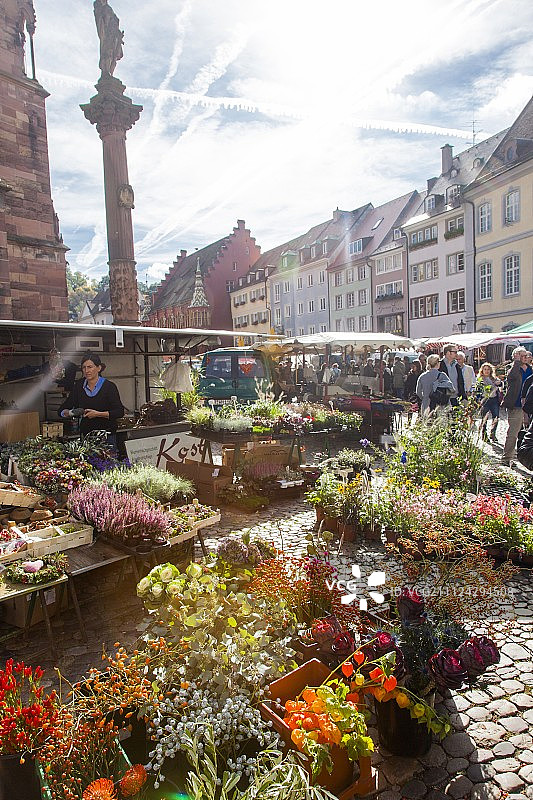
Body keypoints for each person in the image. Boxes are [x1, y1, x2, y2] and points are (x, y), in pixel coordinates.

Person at [59, 353, 124, 439]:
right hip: (86, 435)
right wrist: (69, 413)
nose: (86, 371)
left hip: (106, 436)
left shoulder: (109, 387)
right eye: (84, 367)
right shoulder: (78, 386)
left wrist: (98, 414)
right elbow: (63, 409)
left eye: (90, 367)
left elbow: (119, 412)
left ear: (99, 368)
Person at [501, 346, 529, 466]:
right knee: (513, 432)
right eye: (522, 355)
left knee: (525, 432)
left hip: (528, 405)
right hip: (516, 405)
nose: (525, 358)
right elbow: (511, 377)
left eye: (525, 355)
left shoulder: (529, 368)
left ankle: (522, 456)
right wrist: (516, 362)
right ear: (516, 356)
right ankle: (507, 457)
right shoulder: (512, 368)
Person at [476, 362, 502, 441]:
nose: (486, 371)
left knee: (496, 416)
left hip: (494, 399)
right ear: (482, 370)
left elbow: (501, 385)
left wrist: (500, 383)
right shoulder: (480, 379)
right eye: (485, 369)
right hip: (485, 399)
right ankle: (484, 435)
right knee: (484, 418)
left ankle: (493, 433)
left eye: (488, 369)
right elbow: (477, 390)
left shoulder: (494, 378)